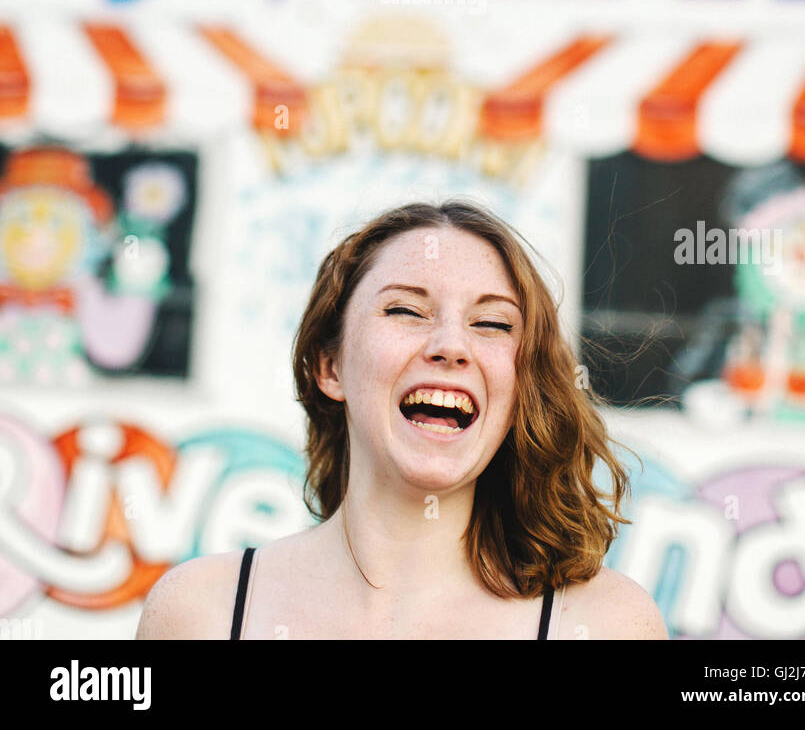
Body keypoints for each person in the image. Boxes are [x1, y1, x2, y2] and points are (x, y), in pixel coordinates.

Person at [136, 199, 668, 640]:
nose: (452, 345)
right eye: (406, 311)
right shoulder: (199, 613)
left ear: (522, 383)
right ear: (330, 365)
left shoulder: (606, 624)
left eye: (491, 323)